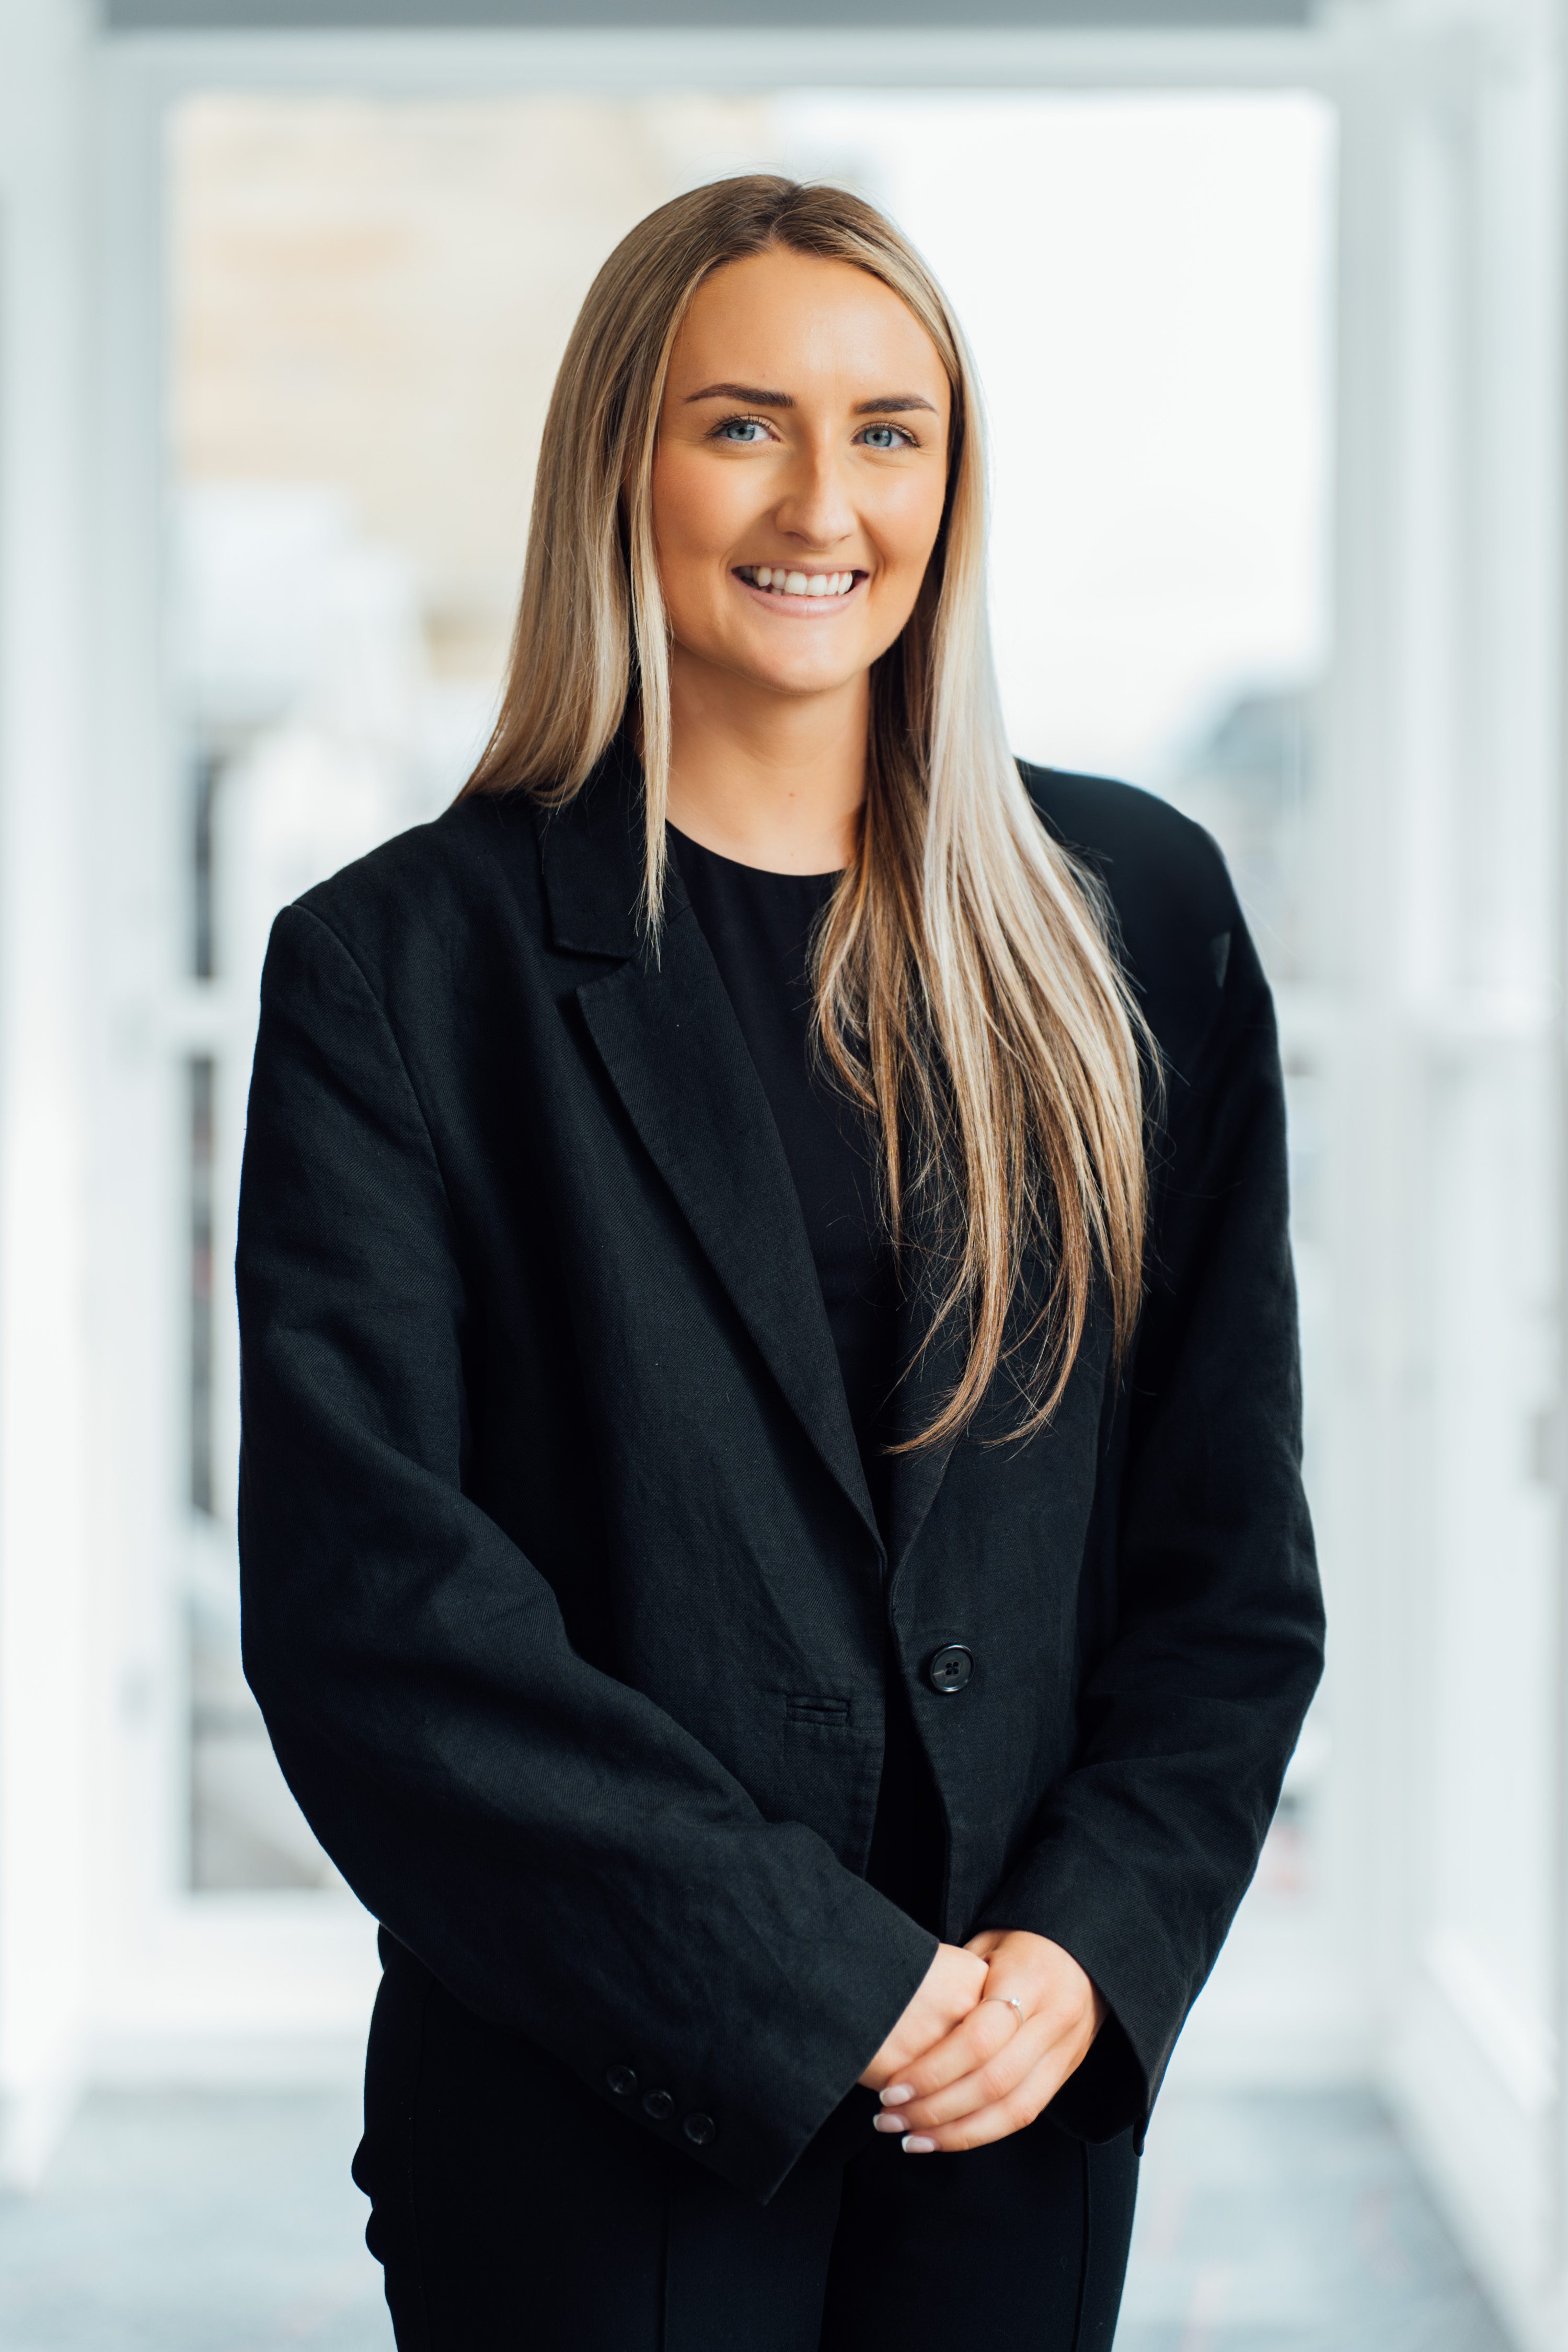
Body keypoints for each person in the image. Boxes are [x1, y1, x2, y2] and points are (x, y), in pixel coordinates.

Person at [236, 176, 1323, 2352]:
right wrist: (837, 1985)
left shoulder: (1139, 920)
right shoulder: (395, 967)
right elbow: (380, 1620)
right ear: (619, 467)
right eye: (744, 424)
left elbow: (1224, 1565)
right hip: (585, 2129)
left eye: (892, 429)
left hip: (1017, 2113)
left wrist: (1080, 1956)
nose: (827, 496)